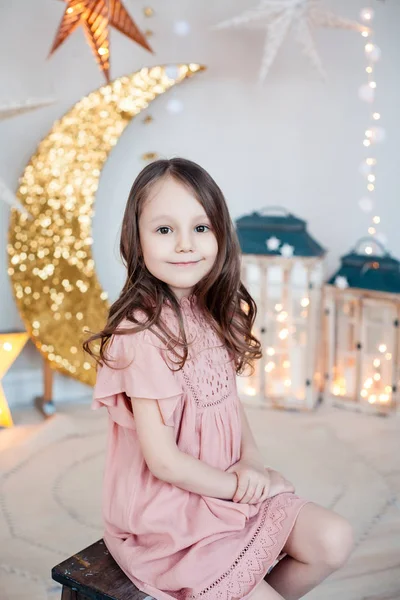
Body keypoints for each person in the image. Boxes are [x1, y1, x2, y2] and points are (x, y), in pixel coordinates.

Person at [83, 157, 354, 600]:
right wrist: (245, 489)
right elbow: (163, 461)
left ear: (221, 234)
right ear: (137, 239)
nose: (185, 244)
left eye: (201, 228)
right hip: (170, 518)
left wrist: (251, 463)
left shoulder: (214, 309)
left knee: (334, 539)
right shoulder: (140, 333)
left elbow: (227, 403)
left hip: (226, 485)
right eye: (165, 230)